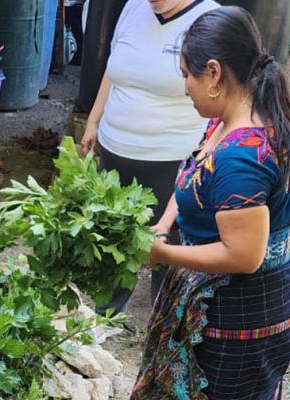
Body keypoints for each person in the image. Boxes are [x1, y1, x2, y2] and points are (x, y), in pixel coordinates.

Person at [131, 6, 290, 399]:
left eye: (187, 75)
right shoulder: (234, 118)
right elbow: (196, 172)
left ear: (213, 73)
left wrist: (163, 254)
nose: (185, 87)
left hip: (240, 323)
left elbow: (244, 255)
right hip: (268, 300)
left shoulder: (241, 158)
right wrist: (164, 224)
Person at [81, 0, 220, 315]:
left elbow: (231, 94)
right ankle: (107, 314)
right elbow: (114, 68)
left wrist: (208, 148)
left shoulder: (209, 18)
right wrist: (93, 120)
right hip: (115, 152)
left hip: (173, 160)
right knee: (114, 238)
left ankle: (166, 320)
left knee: (167, 243)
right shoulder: (134, 7)